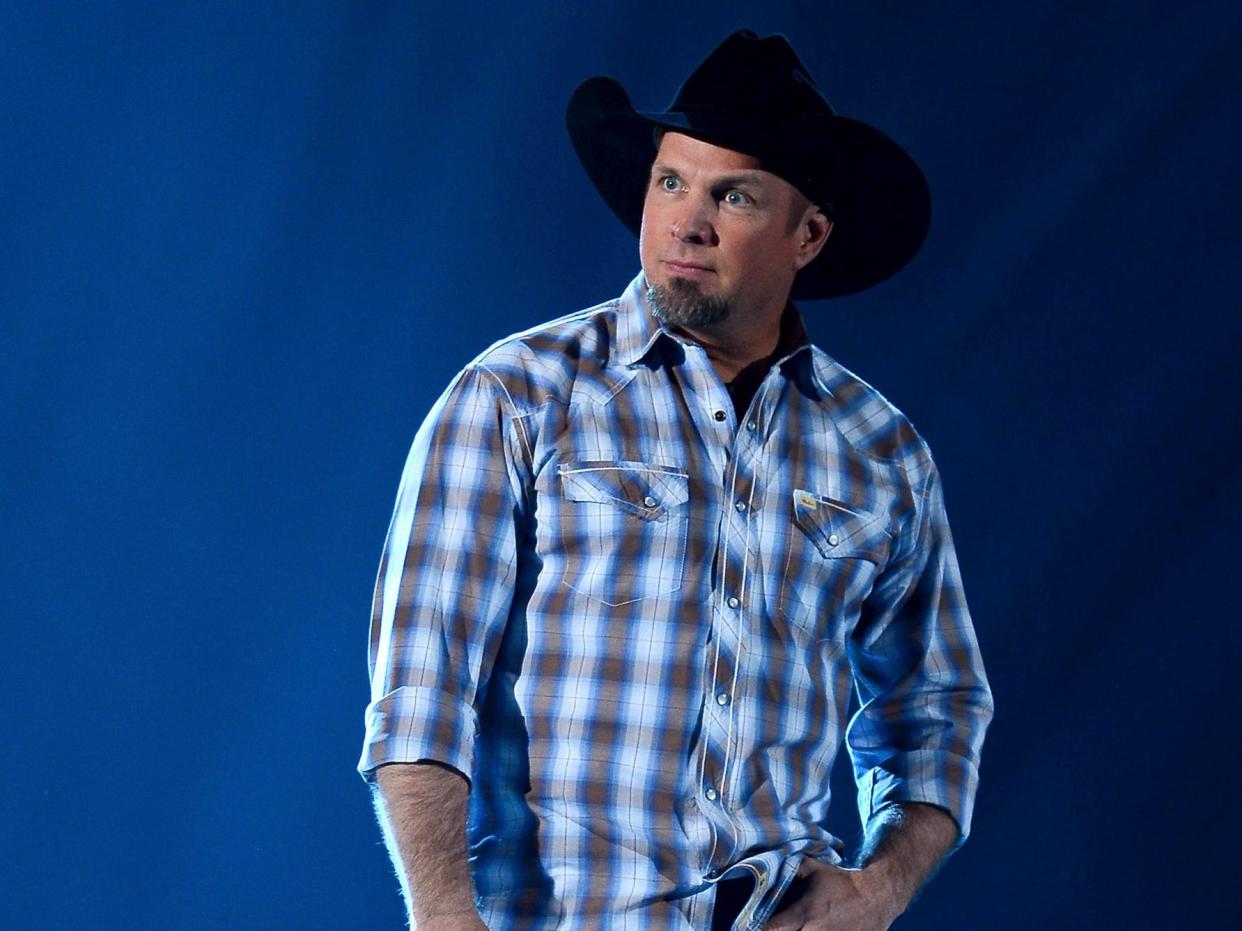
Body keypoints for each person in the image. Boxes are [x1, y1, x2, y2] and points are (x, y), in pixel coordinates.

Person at [359, 29, 993, 931]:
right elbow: (422, 691)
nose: (686, 222)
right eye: (671, 182)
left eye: (732, 195)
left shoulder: (882, 453)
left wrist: (883, 885)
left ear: (808, 234)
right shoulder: (516, 395)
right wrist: (443, 919)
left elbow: (936, 705)